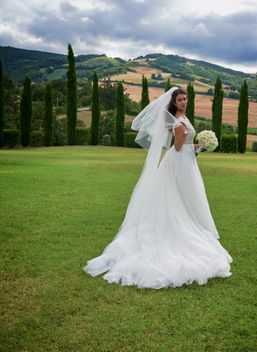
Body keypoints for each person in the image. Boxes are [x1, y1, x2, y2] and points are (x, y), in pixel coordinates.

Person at [83, 86, 233, 289]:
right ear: (174, 102)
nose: (183, 102)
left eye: (185, 98)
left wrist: (200, 146)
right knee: (175, 197)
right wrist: (184, 136)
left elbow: (187, 147)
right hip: (178, 163)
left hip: (187, 162)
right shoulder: (177, 122)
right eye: (180, 100)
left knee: (187, 198)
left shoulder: (184, 119)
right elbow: (178, 147)